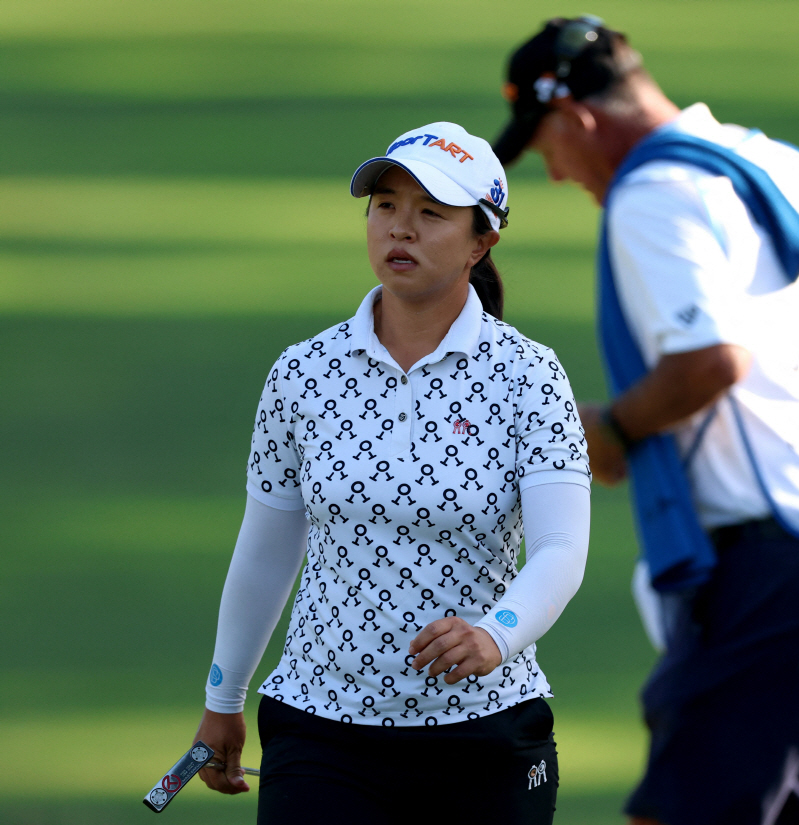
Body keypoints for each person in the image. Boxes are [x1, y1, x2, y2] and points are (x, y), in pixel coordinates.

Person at [492, 17, 799, 825]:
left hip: (779, 573)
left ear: (579, 121)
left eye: (549, 150)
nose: (555, 174)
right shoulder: (764, 158)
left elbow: (714, 359)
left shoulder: (650, 193)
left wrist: (613, 427)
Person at [193, 121, 591, 824]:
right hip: (320, 727)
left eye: (430, 213)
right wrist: (223, 699)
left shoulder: (529, 374)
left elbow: (563, 547)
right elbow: (267, 547)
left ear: (481, 240)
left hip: (487, 732)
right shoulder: (302, 373)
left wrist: (495, 633)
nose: (399, 228)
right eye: (385, 206)